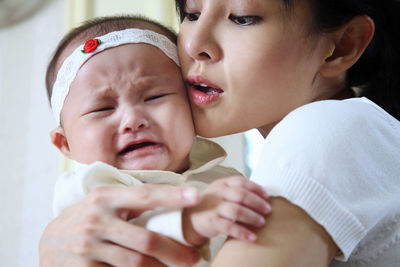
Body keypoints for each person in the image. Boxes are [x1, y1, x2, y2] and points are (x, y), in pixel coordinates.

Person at [39, 0, 400, 266]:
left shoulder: (326, 127)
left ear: (343, 45)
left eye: (242, 18)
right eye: (192, 14)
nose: (195, 43)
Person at [43, 15, 270, 267]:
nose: (132, 120)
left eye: (154, 97)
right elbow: (115, 239)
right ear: (65, 144)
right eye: (102, 109)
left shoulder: (225, 179)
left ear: (192, 103)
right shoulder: (89, 188)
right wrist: (187, 223)